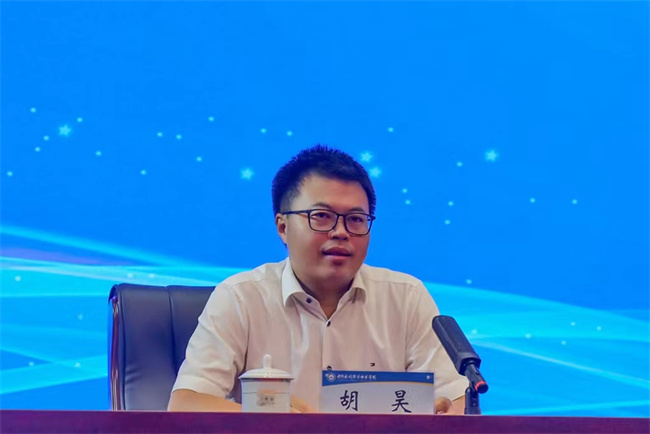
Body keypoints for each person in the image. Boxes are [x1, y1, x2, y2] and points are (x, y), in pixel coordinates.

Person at [168, 145, 468, 414]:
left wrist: (443, 413)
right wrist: (275, 419)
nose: (341, 232)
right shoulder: (240, 297)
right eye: (322, 216)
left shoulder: (406, 298)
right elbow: (186, 403)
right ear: (283, 227)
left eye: (356, 219)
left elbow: (456, 400)